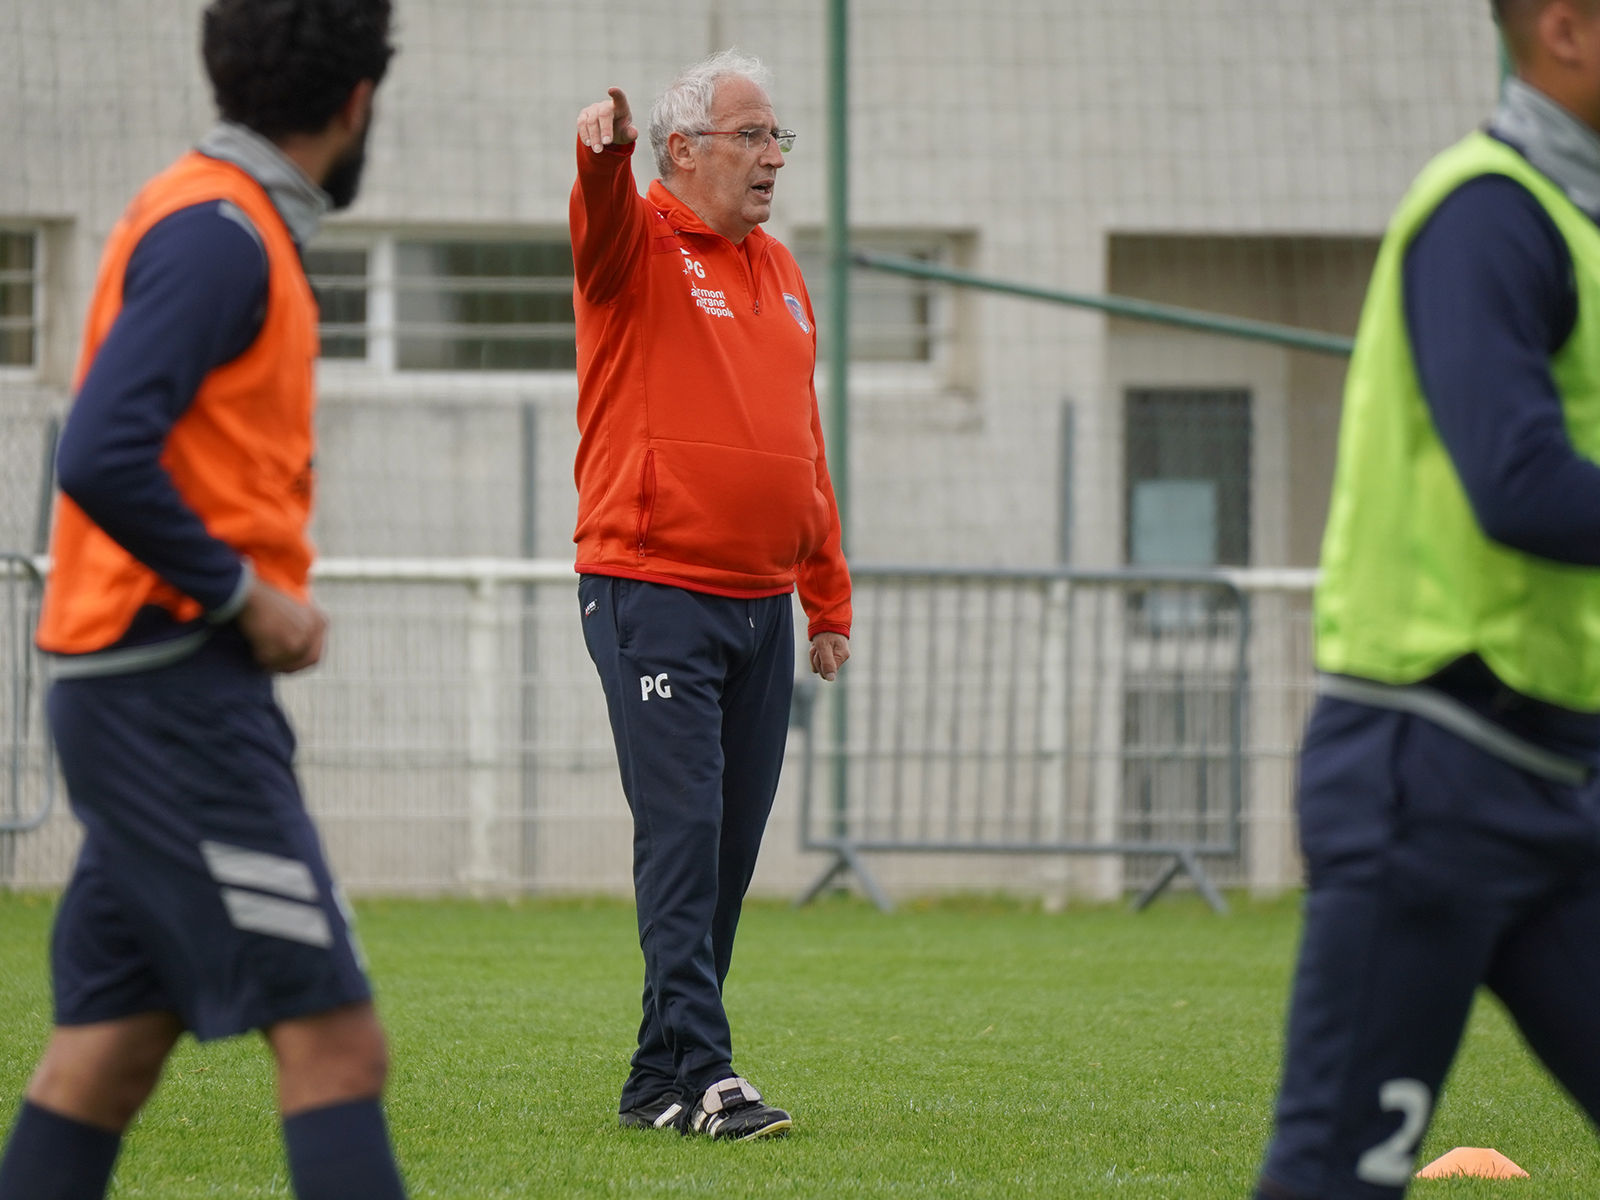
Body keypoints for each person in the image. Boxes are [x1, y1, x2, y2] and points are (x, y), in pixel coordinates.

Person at [0, 3, 407, 1198]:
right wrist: (245, 597)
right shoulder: (222, 231)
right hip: (167, 691)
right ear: (357, 102)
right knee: (336, 1042)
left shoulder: (215, 216)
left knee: (105, 1057)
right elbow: (102, 452)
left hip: (143, 690)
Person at [1256, 2, 1600, 1196]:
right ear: (1566, 29)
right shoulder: (1487, 214)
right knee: (1334, 1171)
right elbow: (1518, 485)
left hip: (1560, 783)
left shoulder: (1582, 224)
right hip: (1429, 772)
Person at [570, 49, 852, 1141]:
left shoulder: (781, 274)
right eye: (750, 136)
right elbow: (597, 217)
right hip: (651, 588)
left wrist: (824, 599)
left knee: (725, 850)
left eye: (777, 137)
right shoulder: (633, 243)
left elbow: (801, 447)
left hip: (757, 606)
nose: (772, 156)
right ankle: (711, 1075)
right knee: (683, 834)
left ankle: (656, 1080)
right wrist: (598, 154)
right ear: (680, 150)